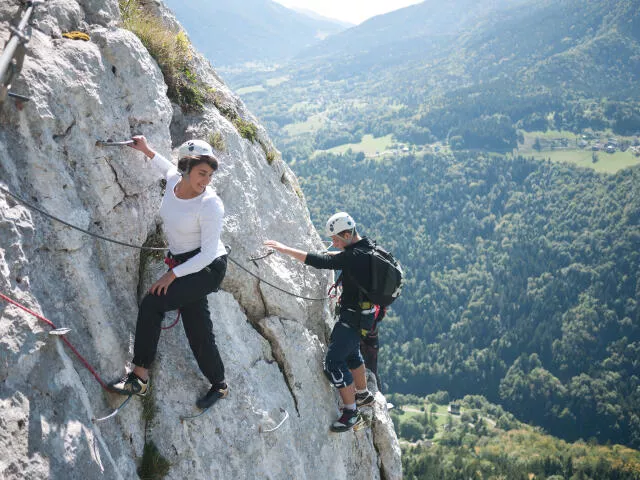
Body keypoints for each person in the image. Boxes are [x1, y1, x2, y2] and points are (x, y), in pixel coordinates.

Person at [109, 136, 229, 410]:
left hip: (207, 267)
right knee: (197, 328)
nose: (206, 180)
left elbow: (208, 254)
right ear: (185, 168)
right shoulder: (175, 179)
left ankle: (139, 378)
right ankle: (220, 384)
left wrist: (172, 275)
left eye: (209, 175)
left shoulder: (210, 204)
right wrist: (146, 149)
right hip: (185, 263)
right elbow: (165, 166)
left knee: (153, 303)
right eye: (201, 173)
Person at [264, 212, 377, 432]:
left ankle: (351, 413)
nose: (334, 244)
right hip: (364, 314)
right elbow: (344, 257)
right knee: (351, 353)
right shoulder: (367, 247)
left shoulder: (353, 256)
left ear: (347, 234)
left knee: (333, 362)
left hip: (354, 316)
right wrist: (336, 252)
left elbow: (321, 262)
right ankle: (363, 394)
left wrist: (284, 249)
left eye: (336, 239)